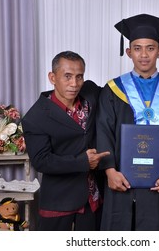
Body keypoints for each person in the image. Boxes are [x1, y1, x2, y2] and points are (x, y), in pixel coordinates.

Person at [96, 13, 159, 231]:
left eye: (150, 48)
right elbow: (103, 131)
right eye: (137, 48)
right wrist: (109, 171)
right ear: (129, 52)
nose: (144, 55)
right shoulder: (112, 89)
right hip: (120, 178)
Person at [22, 51, 110, 231]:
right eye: (67, 77)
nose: (74, 84)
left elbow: (117, 95)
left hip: (93, 199)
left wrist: (156, 77)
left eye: (79, 77)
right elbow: (41, 161)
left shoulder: (91, 92)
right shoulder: (35, 116)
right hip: (58, 200)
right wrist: (83, 162)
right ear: (52, 77)